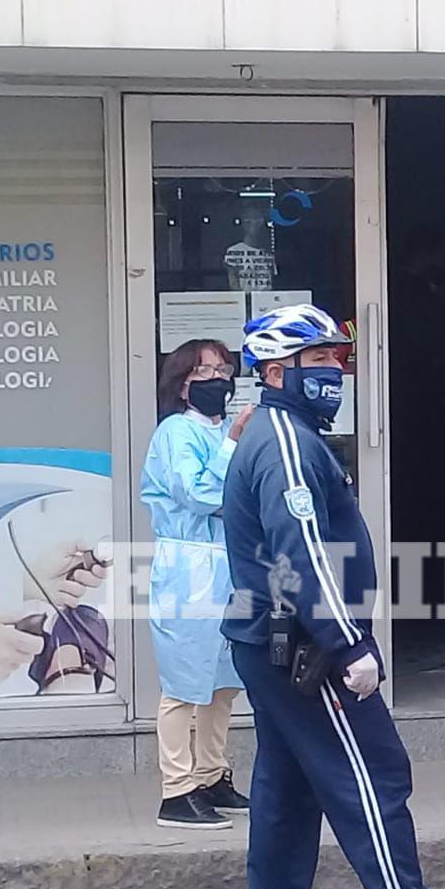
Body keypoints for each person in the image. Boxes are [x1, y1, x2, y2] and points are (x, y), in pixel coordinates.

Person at [222, 304, 445, 889]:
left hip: (276, 639)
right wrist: (349, 642)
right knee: (374, 779)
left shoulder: (284, 434)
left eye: (338, 359)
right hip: (307, 645)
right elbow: (302, 553)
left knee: (288, 786)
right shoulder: (286, 444)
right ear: (275, 372)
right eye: (318, 359)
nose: (334, 371)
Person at [141, 338, 254, 830]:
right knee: (184, 680)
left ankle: (211, 775)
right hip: (189, 566)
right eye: (203, 372)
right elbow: (199, 493)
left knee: (224, 681)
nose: (216, 380)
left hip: (231, 562)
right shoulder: (175, 432)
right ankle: (176, 788)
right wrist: (233, 443)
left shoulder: (225, 430)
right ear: (182, 383)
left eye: (222, 370)